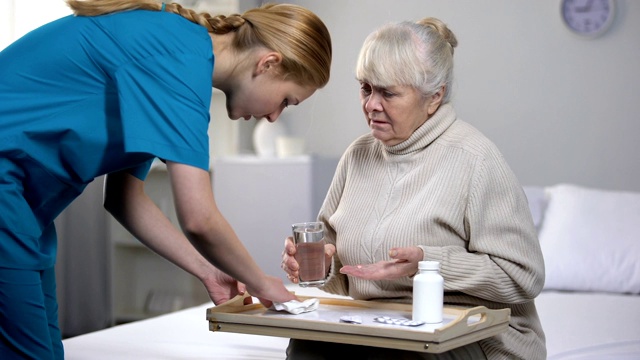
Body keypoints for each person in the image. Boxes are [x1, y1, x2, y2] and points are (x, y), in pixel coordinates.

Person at [0, 1, 331, 358]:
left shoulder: (177, 63)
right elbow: (199, 218)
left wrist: (209, 271)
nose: (273, 117)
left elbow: (126, 200)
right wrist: (261, 280)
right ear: (268, 63)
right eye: (285, 100)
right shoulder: (180, 57)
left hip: (24, 212)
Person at [281, 17, 545, 359]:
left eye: (388, 93)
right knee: (307, 346)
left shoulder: (476, 160)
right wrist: (320, 267)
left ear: (434, 97)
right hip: (383, 327)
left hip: (473, 334)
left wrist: (429, 264)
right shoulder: (357, 156)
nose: (371, 105)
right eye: (365, 88)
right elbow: (343, 274)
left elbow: (524, 277)